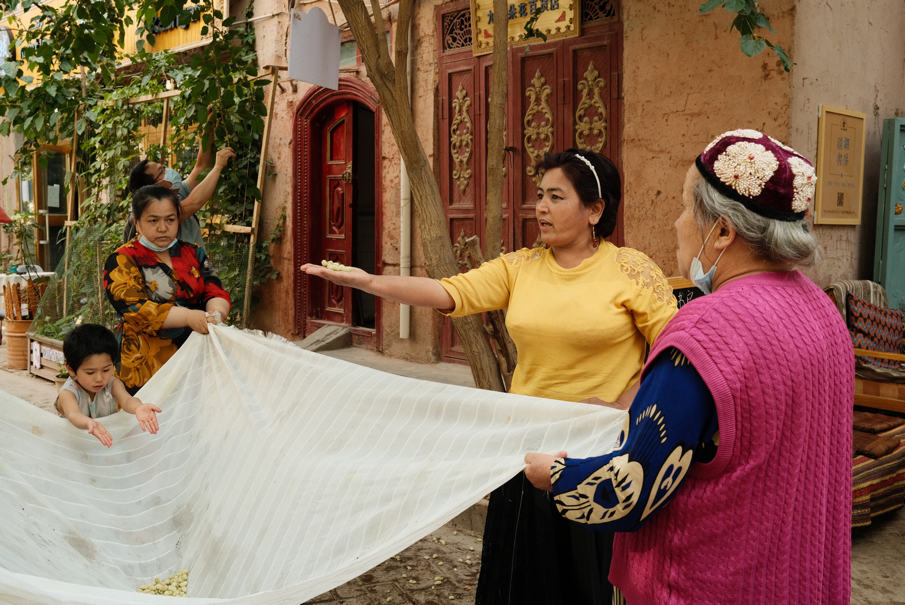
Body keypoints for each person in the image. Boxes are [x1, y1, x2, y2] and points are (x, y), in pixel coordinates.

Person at [301, 149, 678, 605]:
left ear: (595, 209)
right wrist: (370, 282)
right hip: (522, 446)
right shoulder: (521, 267)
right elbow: (449, 291)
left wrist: (621, 405)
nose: (540, 207)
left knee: (583, 580)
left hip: (595, 453)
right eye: (540, 195)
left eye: (556, 197)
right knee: (518, 577)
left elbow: (673, 350)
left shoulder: (633, 271)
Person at [525, 130, 854, 603]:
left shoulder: (705, 331)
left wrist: (555, 475)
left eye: (684, 207)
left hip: (705, 585)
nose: (678, 222)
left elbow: (631, 489)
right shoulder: (821, 312)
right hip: (797, 579)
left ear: (722, 231)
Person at [104, 185, 231, 395]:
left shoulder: (193, 253)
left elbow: (215, 289)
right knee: (148, 424)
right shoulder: (122, 259)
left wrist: (217, 313)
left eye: (170, 220)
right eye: (153, 220)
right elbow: (135, 309)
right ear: (137, 222)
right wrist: (188, 317)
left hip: (195, 360)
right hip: (146, 365)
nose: (163, 228)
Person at [125, 126, 235, 248]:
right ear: (153, 187)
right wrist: (218, 167)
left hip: (196, 265)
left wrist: (209, 125)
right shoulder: (153, 211)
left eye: (164, 167)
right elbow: (195, 202)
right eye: (161, 171)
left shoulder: (178, 193)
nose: (168, 171)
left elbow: (201, 166)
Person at [56, 323, 162, 448]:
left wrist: (138, 407)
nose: (100, 379)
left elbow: (127, 400)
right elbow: (74, 414)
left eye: (106, 370)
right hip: (76, 447)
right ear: (71, 369)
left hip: (105, 443)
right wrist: (89, 423)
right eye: (90, 372)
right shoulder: (68, 393)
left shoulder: (112, 384)